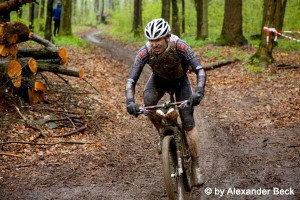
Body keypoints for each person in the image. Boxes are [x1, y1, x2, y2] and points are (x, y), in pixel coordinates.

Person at [125, 18, 206, 186]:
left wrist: (198, 91)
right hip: (159, 80)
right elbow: (131, 80)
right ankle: (162, 132)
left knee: (188, 120)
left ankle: (196, 165)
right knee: (148, 103)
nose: (154, 44)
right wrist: (130, 101)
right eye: (151, 40)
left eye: (158, 39)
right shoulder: (144, 52)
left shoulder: (180, 46)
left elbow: (199, 70)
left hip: (180, 80)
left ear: (167, 37)